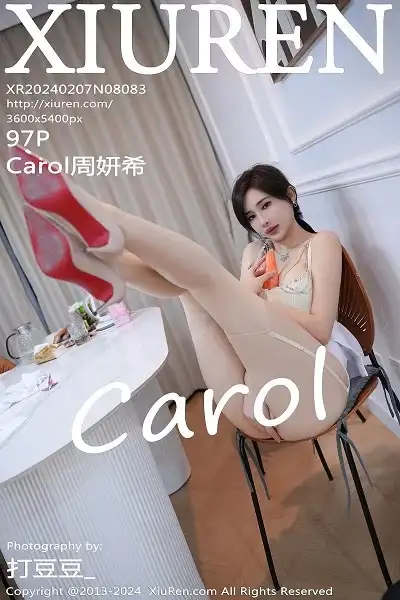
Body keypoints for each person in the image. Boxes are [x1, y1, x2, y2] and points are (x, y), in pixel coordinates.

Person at [11, 147, 367, 442]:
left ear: (289, 195)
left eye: (266, 205)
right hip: (258, 394)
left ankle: (105, 225)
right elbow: (237, 322)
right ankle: (107, 259)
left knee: (210, 282)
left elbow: (320, 329)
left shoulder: (321, 243)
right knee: (190, 294)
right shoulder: (253, 255)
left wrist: (256, 298)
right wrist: (250, 295)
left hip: (318, 383)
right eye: (251, 216)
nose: (262, 221)